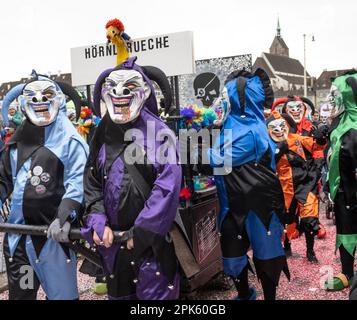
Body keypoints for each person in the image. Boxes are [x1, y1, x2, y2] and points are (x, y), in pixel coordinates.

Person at [81, 57, 182, 300]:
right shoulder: (101, 134)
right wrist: (97, 220)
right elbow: (92, 182)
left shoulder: (160, 134)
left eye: (128, 87)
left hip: (152, 247)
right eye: (113, 87)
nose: (119, 93)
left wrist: (143, 231)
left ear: (144, 91)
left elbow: (167, 187)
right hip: (113, 248)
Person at [0, 73, 88, 300]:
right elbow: (3, 180)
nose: (40, 101)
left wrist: (64, 216)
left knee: (62, 297)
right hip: (18, 238)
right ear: (23, 103)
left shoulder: (71, 141)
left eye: (46, 96)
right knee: (22, 296)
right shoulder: (16, 144)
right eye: (33, 97)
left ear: (58, 99)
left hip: (53, 240)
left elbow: (78, 182)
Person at [205, 69, 289, 300]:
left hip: (259, 206)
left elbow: (220, 160)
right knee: (232, 256)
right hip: (231, 204)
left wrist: (188, 147)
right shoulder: (230, 125)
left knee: (267, 257)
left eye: (225, 95)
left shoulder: (252, 131)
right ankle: (244, 295)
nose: (221, 100)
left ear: (237, 98)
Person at [266, 110, 328, 262]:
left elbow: (316, 146)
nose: (280, 130)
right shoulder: (267, 145)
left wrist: (320, 138)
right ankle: (286, 245)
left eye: (282, 125)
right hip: (284, 188)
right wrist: (278, 151)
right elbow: (264, 164)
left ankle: (310, 251)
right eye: (274, 127)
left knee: (309, 219)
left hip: (305, 185)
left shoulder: (298, 139)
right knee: (286, 220)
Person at [324, 71, 357, 291]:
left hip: (353, 191)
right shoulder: (340, 125)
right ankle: (347, 274)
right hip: (343, 193)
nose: (330, 100)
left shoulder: (352, 128)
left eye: (335, 94)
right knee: (345, 232)